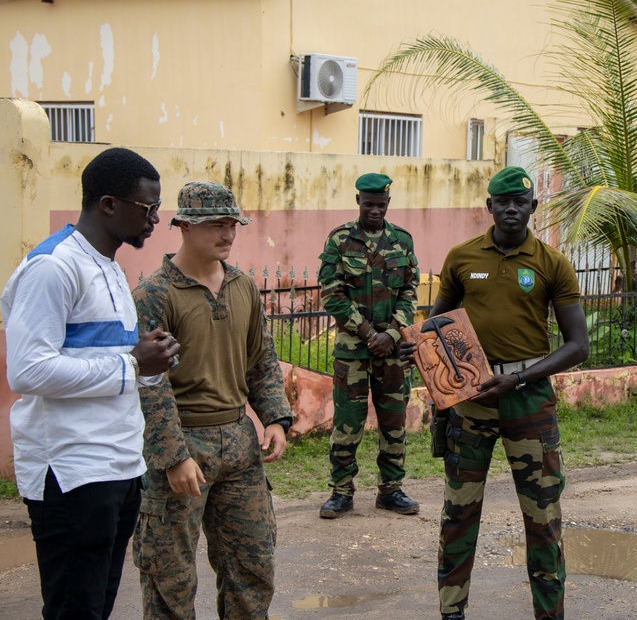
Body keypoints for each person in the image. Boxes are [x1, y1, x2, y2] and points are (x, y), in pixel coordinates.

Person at [402, 166, 589, 620]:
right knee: (459, 514)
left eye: (519, 202)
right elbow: (437, 323)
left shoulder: (551, 263)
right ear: (489, 206)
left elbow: (577, 345)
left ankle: (550, 615)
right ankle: (452, 612)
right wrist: (423, 350)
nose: (511, 209)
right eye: (502, 202)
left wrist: (520, 379)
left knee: (543, 518)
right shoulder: (463, 258)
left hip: (528, 402)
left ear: (532, 207)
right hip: (471, 403)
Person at [2, 147, 180, 620]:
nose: (155, 219)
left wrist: (149, 362)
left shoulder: (109, 268)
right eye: (148, 209)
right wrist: (131, 366)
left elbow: (112, 363)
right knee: (73, 609)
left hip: (118, 464)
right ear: (107, 204)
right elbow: (27, 370)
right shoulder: (53, 267)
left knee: (96, 606)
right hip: (72, 470)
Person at [131, 181, 293, 619]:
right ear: (182, 226)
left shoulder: (242, 287)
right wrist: (172, 456)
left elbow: (260, 359)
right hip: (184, 444)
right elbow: (150, 384)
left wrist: (275, 418)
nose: (227, 234)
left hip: (240, 444)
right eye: (214, 225)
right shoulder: (155, 295)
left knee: (252, 566)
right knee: (170, 577)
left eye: (232, 224)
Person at [317, 172, 421, 518]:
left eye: (381, 204)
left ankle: (391, 490)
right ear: (358, 201)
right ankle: (341, 492)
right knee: (348, 423)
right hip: (353, 353)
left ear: (388, 204)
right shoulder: (340, 240)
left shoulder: (402, 241)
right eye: (368, 203)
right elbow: (332, 295)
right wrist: (367, 333)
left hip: (392, 352)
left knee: (394, 422)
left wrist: (391, 334)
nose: (374, 210)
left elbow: (410, 291)